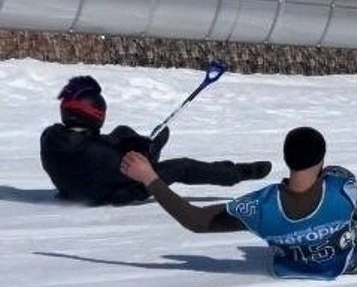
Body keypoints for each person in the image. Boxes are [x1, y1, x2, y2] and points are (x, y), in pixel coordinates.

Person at [119, 126, 357, 279]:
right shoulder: (342, 189)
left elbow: (196, 221)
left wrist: (150, 177)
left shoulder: (261, 206)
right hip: (351, 258)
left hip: (292, 263)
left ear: (286, 159)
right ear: (321, 160)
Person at [40, 75, 272, 205]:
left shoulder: (51, 136)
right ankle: (238, 173)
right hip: (114, 191)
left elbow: (101, 146)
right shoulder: (99, 155)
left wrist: (131, 142)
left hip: (79, 182)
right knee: (182, 166)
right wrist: (149, 150)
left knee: (122, 131)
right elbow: (136, 170)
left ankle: (147, 145)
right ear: (97, 114)